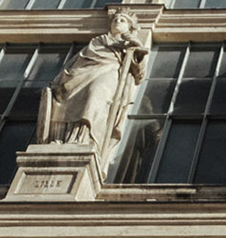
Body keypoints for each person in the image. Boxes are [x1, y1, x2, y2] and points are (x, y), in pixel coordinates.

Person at [40, 9, 149, 149]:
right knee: (66, 96)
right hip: (84, 73)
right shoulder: (98, 41)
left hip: (109, 73)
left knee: (95, 95)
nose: (118, 22)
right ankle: (64, 137)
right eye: (115, 19)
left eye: (122, 20)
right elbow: (81, 60)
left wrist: (137, 49)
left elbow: (139, 74)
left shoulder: (131, 45)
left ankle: (84, 138)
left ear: (129, 27)